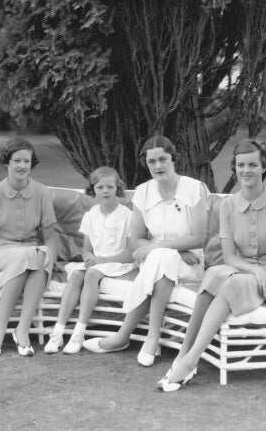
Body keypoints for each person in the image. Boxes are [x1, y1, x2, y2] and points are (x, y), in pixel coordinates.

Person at [156, 138, 266, 391]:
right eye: (241, 165)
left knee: (231, 283)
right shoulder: (228, 205)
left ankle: (191, 360)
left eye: (253, 165)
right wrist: (254, 269)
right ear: (234, 167)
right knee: (214, 273)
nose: (246, 171)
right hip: (243, 268)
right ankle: (183, 355)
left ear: (264, 167)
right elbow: (230, 257)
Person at [83, 136, 209, 366]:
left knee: (162, 256)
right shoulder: (143, 191)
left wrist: (158, 246)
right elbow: (136, 242)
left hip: (190, 266)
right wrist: (170, 250)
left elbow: (199, 238)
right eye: (152, 161)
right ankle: (152, 336)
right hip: (159, 261)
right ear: (146, 164)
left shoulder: (194, 188)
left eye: (163, 159)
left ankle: (124, 336)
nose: (158, 166)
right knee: (163, 258)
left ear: (174, 159)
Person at [0, 137, 59, 357]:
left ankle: (22, 329)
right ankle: (0, 327)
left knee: (39, 255)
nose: (23, 165)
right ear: (7, 162)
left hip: (32, 251)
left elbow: (50, 236)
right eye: (17, 160)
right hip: (0, 251)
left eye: (27, 161)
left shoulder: (42, 192)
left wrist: (51, 261)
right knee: (34, 255)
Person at [43, 167, 134, 354]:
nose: (106, 191)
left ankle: (79, 332)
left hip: (119, 262)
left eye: (110, 186)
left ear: (118, 188)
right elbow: (86, 250)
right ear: (93, 190)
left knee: (91, 274)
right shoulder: (91, 214)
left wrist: (103, 260)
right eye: (100, 187)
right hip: (98, 263)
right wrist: (90, 257)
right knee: (77, 274)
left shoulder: (127, 215)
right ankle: (58, 332)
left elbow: (130, 253)